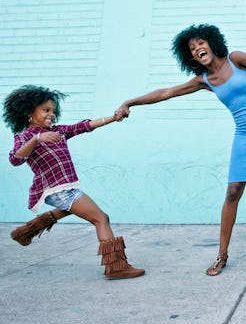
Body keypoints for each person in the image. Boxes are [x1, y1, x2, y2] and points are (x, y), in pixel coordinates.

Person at [115, 24, 246, 278]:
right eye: (192, 48)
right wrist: (130, 101)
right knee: (233, 191)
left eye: (200, 43)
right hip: (244, 136)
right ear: (190, 57)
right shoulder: (205, 81)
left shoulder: (236, 59)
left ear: (212, 43)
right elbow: (166, 93)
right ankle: (222, 254)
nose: (198, 48)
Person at [4, 85, 145, 280]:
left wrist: (113, 117)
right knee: (101, 218)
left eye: (53, 111)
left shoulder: (58, 131)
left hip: (67, 188)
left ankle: (26, 232)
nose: (51, 114)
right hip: (57, 190)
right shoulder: (25, 137)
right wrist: (37, 138)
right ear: (29, 112)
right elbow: (15, 159)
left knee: (75, 210)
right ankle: (117, 267)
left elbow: (83, 127)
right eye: (46, 110)